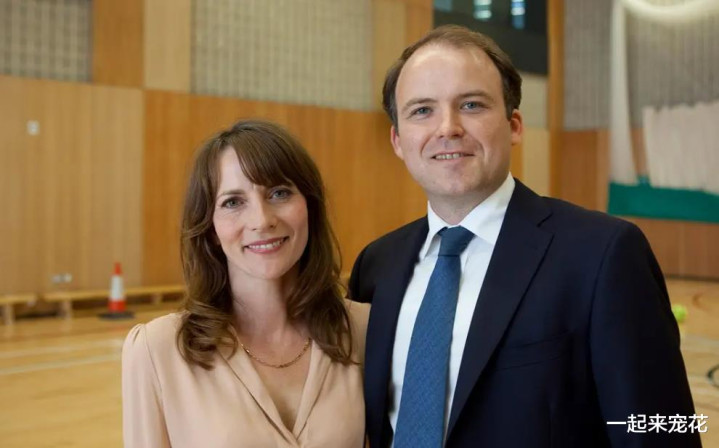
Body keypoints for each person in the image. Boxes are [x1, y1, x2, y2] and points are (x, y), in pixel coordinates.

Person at [349, 25, 700, 447]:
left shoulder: (603, 255)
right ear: (398, 140)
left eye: (471, 105)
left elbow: (662, 426)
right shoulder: (376, 267)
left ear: (514, 125)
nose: (448, 128)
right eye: (422, 110)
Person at [122, 120, 369, 448]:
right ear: (210, 228)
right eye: (233, 202)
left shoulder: (364, 329)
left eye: (279, 193)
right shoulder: (157, 350)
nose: (262, 220)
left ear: (309, 207)